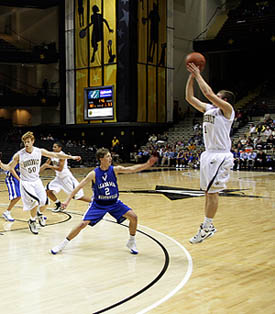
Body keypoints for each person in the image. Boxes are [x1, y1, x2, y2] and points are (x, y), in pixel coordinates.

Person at [51, 148, 157, 255]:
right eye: (107, 156)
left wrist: (147, 164)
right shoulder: (94, 174)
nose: (110, 158)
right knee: (82, 224)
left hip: (114, 203)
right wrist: (67, 200)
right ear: (101, 159)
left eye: (110, 156)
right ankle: (62, 244)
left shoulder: (115, 170)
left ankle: (131, 242)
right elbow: (78, 187)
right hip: (98, 205)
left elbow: (131, 169)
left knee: (133, 217)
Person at [185, 62, 235, 244]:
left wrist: (198, 74)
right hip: (208, 154)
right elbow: (189, 97)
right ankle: (208, 226)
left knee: (213, 193)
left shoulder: (228, 111)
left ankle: (207, 226)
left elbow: (208, 93)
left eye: (218, 97)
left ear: (225, 100)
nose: (215, 98)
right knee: (208, 192)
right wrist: (191, 77)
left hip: (221, 155)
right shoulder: (209, 109)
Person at [0, 131, 81, 235]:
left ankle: (39, 213)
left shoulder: (39, 151)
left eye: (28, 141)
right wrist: (1, 164)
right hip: (26, 182)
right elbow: (8, 167)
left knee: (45, 202)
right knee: (35, 201)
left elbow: (55, 154)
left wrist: (72, 157)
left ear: (33, 141)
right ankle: (32, 221)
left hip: (36, 180)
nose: (26, 144)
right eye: (25, 142)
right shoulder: (19, 155)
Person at [40, 142, 91, 212]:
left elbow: (60, 169)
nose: (53, 148)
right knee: (47, 191)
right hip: (58, 178)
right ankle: (58, 205)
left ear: (60, 148)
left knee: (78, 197)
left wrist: (48, 166)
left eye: (55, 147)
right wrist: (36, 173)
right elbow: (46, 164)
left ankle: (94, 202)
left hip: (66, 178)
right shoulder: (52, 155)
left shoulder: (62, 155)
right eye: (53, 147)